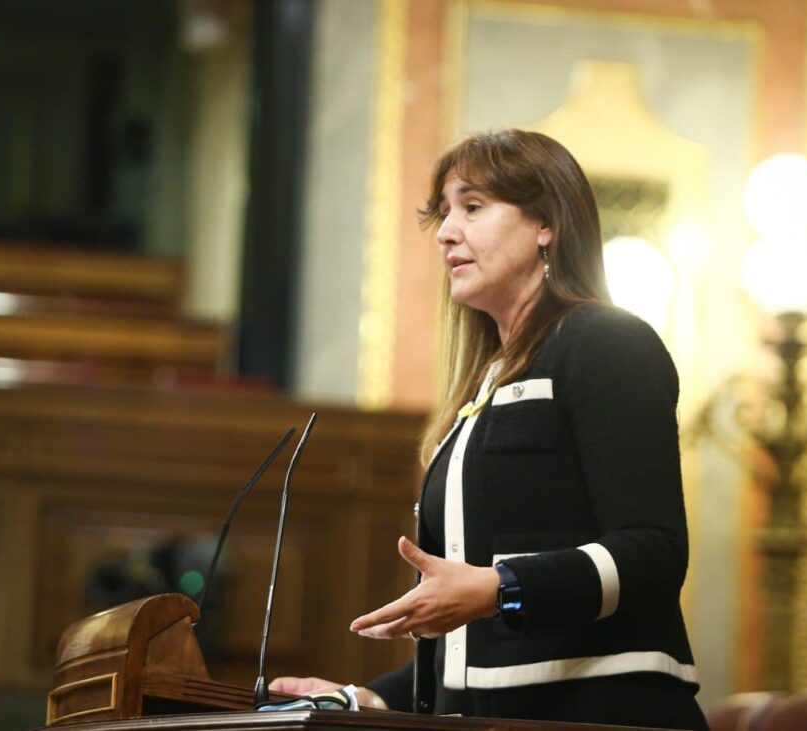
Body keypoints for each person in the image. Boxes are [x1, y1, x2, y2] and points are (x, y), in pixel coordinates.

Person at [272, 129, 709, 731]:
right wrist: (366, 699)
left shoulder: (607, 341)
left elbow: (653, 555)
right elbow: (475, 651)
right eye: (445, 214)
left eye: (473, 208)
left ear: (545, 224)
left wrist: (501, 586)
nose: (448, 232)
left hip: (606, 714)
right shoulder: (484, 387)